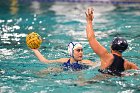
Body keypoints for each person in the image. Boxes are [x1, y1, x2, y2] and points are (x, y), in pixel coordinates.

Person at [85, 8, 138, 77]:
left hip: (101, 82)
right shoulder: (128, 64)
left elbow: (91, 38)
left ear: (111, 47)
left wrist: (89, 21)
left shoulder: (107, 57)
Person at [31, 42, 99, 71]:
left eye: (81, 50)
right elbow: (45, 61)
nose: (81, 53)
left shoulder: (86, 62)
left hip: (80, 73)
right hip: (66, 70)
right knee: (46, 71)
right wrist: (35, 50)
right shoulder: (64, 61)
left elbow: (99, 65)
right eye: (78, 50)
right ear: (71, 52)